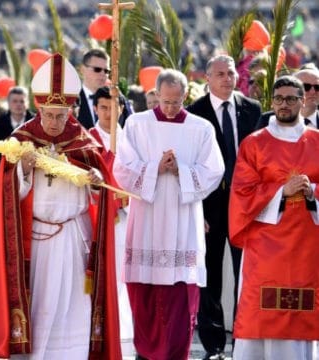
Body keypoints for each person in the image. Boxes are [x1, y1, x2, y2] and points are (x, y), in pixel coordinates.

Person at [0, 53, 121, 359]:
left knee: (73, 303)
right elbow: (5, 195)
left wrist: (96, 179)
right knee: (41, 304)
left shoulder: (82, 142)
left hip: (74, 237)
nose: (53, 123)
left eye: (60, 116)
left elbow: (101, 190)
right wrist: (22, 168)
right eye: (48, 115)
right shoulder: (21, 140)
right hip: (36, 240)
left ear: (71, 111)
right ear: (39, 108)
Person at [113, 69, 225, 360]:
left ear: (185, 96)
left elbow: (215, 170)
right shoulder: (137, 125)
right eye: (165, 102)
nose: (171, 108)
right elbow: (122, 168)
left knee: (180, 293)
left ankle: (175, 352)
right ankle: (145, 351)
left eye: (176, 102)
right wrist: (155, 169)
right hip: (147, 217)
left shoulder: (201, 128)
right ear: (156, 95)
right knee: (145, 290)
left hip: (183, 219)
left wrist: (181, 171)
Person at [229, 75, 319, 360]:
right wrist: (282, 191)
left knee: (299, 317)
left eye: (292, 99)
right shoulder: (254, 144)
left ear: (302, 102)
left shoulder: (317, 142)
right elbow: (242, 193)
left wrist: (312, 191)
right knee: (260, 313)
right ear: (272, 101)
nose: (284, 104)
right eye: (279, 99)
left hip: (305, 245)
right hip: (265, 245)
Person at [186, 54, 261, 360]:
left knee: (246, 273)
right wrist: (197, 210)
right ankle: (214, 345)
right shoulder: (195, 113)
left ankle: (244, 340)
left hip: (245, 208)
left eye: (231, 73)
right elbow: (190, 164)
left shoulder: (252, 109)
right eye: (220, 74)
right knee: (211, 277)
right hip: (211, 210)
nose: (228, 79)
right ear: (208, 78)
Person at [89, 86, 134, 356]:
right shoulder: (87, 139)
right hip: (98, 218)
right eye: (103, 107)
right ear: (95, 108)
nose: (108, 113)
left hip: (128, 218)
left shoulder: (131, 138)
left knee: (125, 274)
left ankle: (125, 327)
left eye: (113, 107)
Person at [0, 86, 35, 180]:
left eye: (22, 101)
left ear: (27, 103)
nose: (18, 105)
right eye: (15, 101)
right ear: (8, 103)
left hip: (32, 174)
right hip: (5, 175)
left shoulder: (36, 123)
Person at [77, 48, 132, 129]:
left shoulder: (118, 99)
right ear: (82, 70)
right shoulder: (71, 99)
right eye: (97, 69)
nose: (103, 74)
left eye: (106, 71)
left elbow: (129, 128)